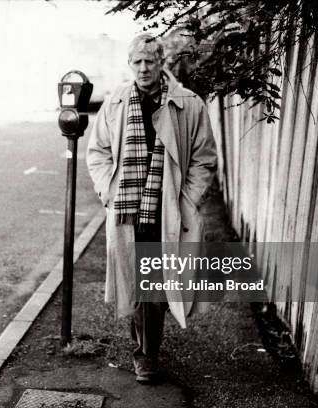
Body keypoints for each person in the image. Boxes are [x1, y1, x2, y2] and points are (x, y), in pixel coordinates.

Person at [86, 33, 217, 384]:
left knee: (156, 287)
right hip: (128, 211)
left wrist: (187, 199)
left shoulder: (189, 104)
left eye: (149, 61)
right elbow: (97, 152)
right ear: (130, 65)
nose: (143, 68)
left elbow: (204, 160)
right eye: (137, 62)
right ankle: (143, 348)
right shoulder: (115, 103)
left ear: (162, 63)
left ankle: (147, 354)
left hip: (167, 211)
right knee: (134, 282)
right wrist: (109, 190)